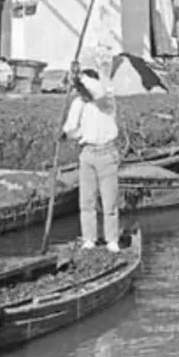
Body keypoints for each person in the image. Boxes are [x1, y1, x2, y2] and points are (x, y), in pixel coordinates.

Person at [62, 62, 121, 252]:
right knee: (86, 201)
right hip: (87, 154)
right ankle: (89, 239)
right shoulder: (79, 102)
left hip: (107, 154)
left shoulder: (107, 100)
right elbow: (70, 128)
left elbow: (96, 90)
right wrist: (74, 134)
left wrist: (78, 76)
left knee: (109, 201)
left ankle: (111, 239)